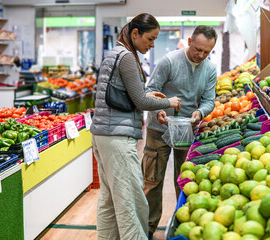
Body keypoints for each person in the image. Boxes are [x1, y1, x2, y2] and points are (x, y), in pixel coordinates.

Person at [90, 13, 181, 240]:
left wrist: (151, 99)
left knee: (110, 200)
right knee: (131, 201)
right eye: (150, 39)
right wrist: (167, 102)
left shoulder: (115, 53)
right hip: (116, 139)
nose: (152, 45)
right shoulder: (127, 57)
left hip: (103, 135)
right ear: (135, 33)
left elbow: (127, 96)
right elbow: (140, 101)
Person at [142, 25, 217, 239]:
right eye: (198, 49)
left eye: (206, 52)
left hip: (187, 131)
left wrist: (200, 113)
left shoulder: (210, 69)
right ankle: (147, 228)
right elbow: (149, 91)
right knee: (152, 179)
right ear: (191, 40)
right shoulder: (169, 61)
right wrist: (159, 110)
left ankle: (180, 224)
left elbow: (209, 100)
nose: (201, 55)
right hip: (159, 128)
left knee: (184, 180)